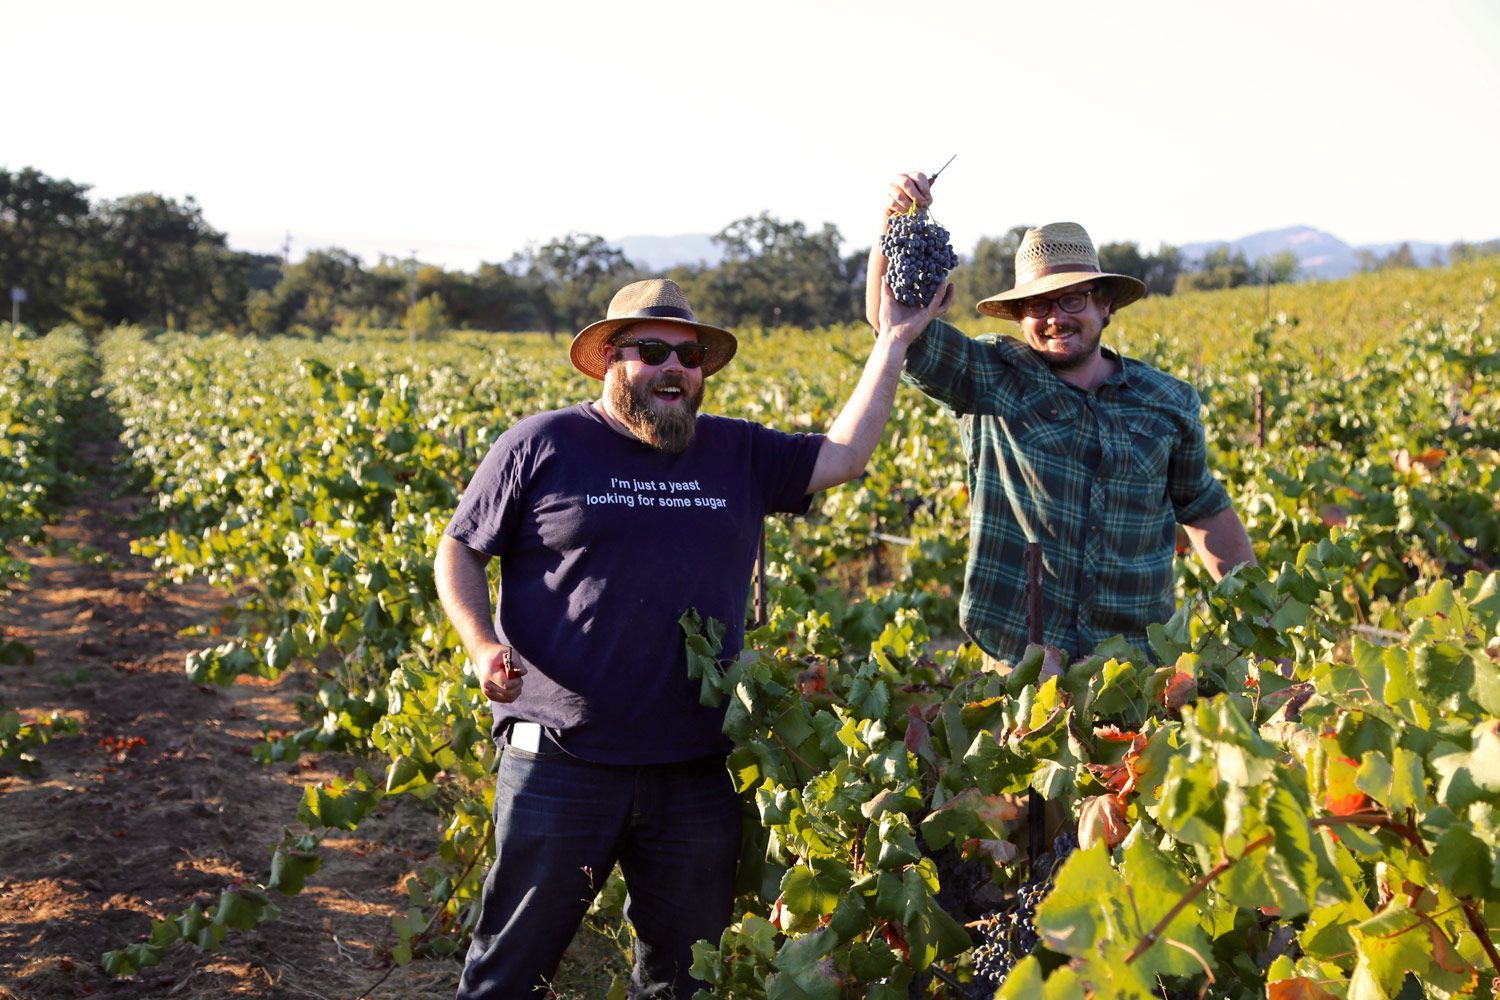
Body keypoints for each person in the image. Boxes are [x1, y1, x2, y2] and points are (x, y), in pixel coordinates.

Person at [436, 275, 951, 998]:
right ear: (611, 359)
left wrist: (894, 340)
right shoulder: (543, 443)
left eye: (690, 355)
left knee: (685, 983)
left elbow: (843, 456)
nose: (674, 367)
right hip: (560, 759)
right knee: (509, 973)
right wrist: (481, 645)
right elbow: (458, 548)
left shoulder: (736, 452)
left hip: (696, 769)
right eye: (653, 351)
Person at [867, 172, 1255, 666]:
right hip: (1018, 666)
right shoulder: (988, 377)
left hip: (1135, 670)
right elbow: (891, 327)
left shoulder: (1166, 401)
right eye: (1037, 304)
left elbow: (1203, 509)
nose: (1055, 318)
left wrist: (1255, 622)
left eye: (1072, 299)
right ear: (1019, 316)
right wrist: (895, 225)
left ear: (1105, 304)